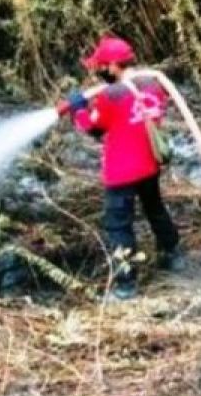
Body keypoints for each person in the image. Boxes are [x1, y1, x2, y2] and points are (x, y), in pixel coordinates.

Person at [63, 37, 182, 299]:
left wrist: (78, 110)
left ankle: (125, 285)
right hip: (149, 165)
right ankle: (172, 253)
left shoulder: (110, 96)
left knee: (118, 226)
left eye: (102, 66)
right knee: (155, 209)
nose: (99, 71)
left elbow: (93, 128)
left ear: (115, 65)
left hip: (121, 172)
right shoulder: (153, 85)